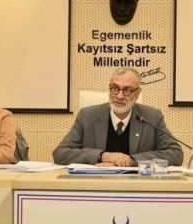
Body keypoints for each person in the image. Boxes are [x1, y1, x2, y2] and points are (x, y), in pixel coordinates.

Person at [53, 67, 182, 166]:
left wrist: (132, 160)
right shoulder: (87, 116)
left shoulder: (152, 117)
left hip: (137, 186)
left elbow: (175, 154)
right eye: (115, 88)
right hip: (95, 185)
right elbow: (60, 154)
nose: (119, 96)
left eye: (127, 90)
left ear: (138, 93)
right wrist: (103, 156)